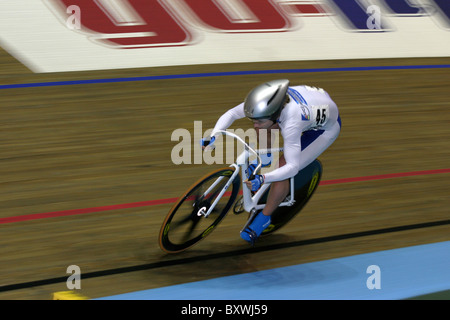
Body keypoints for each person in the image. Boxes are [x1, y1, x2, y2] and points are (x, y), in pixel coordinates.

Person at [202, 79, 341, 245]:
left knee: (282, 167)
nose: (255, 123)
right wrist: (214, 135)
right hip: (314, 103)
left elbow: (292, 168)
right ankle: (266, 157)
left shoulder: (291, 123)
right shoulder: (263, 102)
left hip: (322, 131)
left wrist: (263, 179)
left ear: (275, 115)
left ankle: (265, 218)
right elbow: (232, 114)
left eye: (259, 119)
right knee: (262, 126)